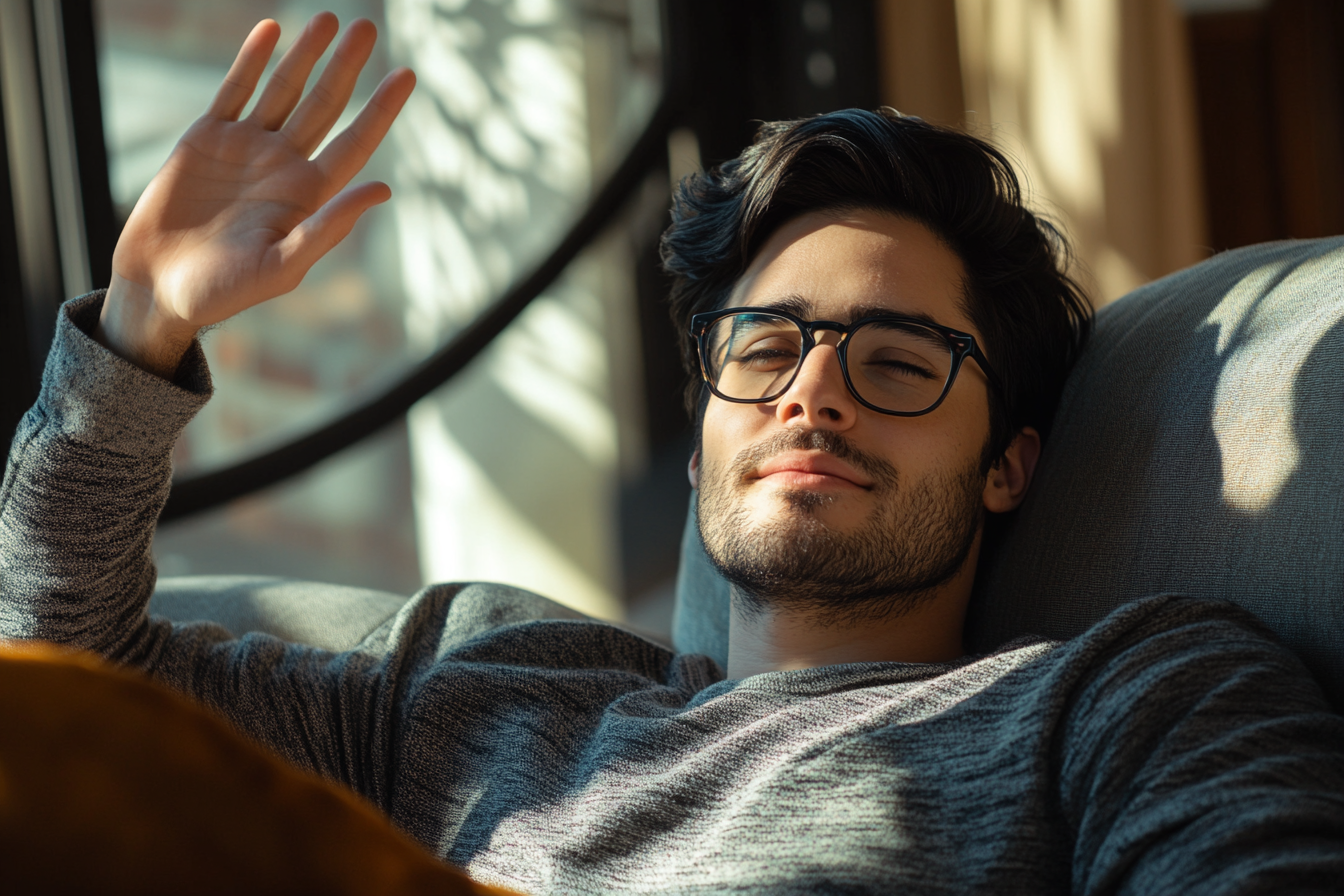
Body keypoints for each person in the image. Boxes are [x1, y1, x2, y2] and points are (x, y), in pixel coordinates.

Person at [2, 12, 1343, 894]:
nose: (811, 395)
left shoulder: (1126, 698)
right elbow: (55, 668)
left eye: (895, 363)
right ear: (703, 426)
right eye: (765, 351)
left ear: (1009, 464)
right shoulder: (470, 700)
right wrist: (144, 321)